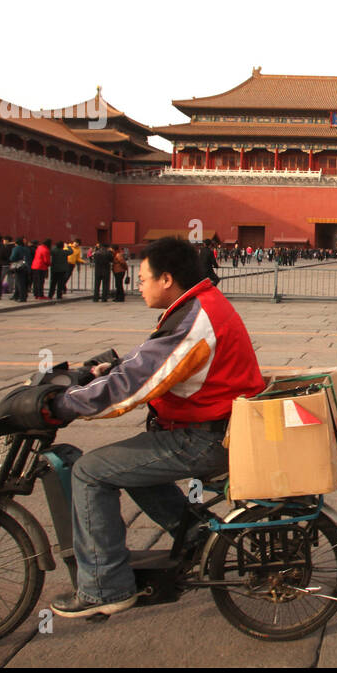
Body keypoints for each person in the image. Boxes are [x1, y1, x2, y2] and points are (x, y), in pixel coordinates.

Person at [40, 237, 265, 617]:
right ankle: (193, 533)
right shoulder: (195, 306)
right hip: (206, 428)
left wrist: (62, 406)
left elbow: (136, 384)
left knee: (91, 471)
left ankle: (105, 588)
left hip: (206, 438)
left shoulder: (197, 319)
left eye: (141, 278)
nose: (137, 285)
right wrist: (99, 371)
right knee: (127, 463)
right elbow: (147, 360)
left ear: (166, 279)